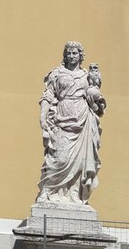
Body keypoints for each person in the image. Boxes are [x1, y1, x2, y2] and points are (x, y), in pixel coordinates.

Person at [36, 41, 106, 206]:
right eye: (69, 53)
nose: (71, 56)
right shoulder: (57, 74)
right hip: (61, 119)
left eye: (75, 53)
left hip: (83, 121)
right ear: (65, 55)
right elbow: (48, 95)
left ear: (80, 56)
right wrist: (43, 116)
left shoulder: (86, 76)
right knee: (59, 159)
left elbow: (97, 103)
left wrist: (95, 104)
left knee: (80, 162)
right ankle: (47, 191)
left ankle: (74, 195)